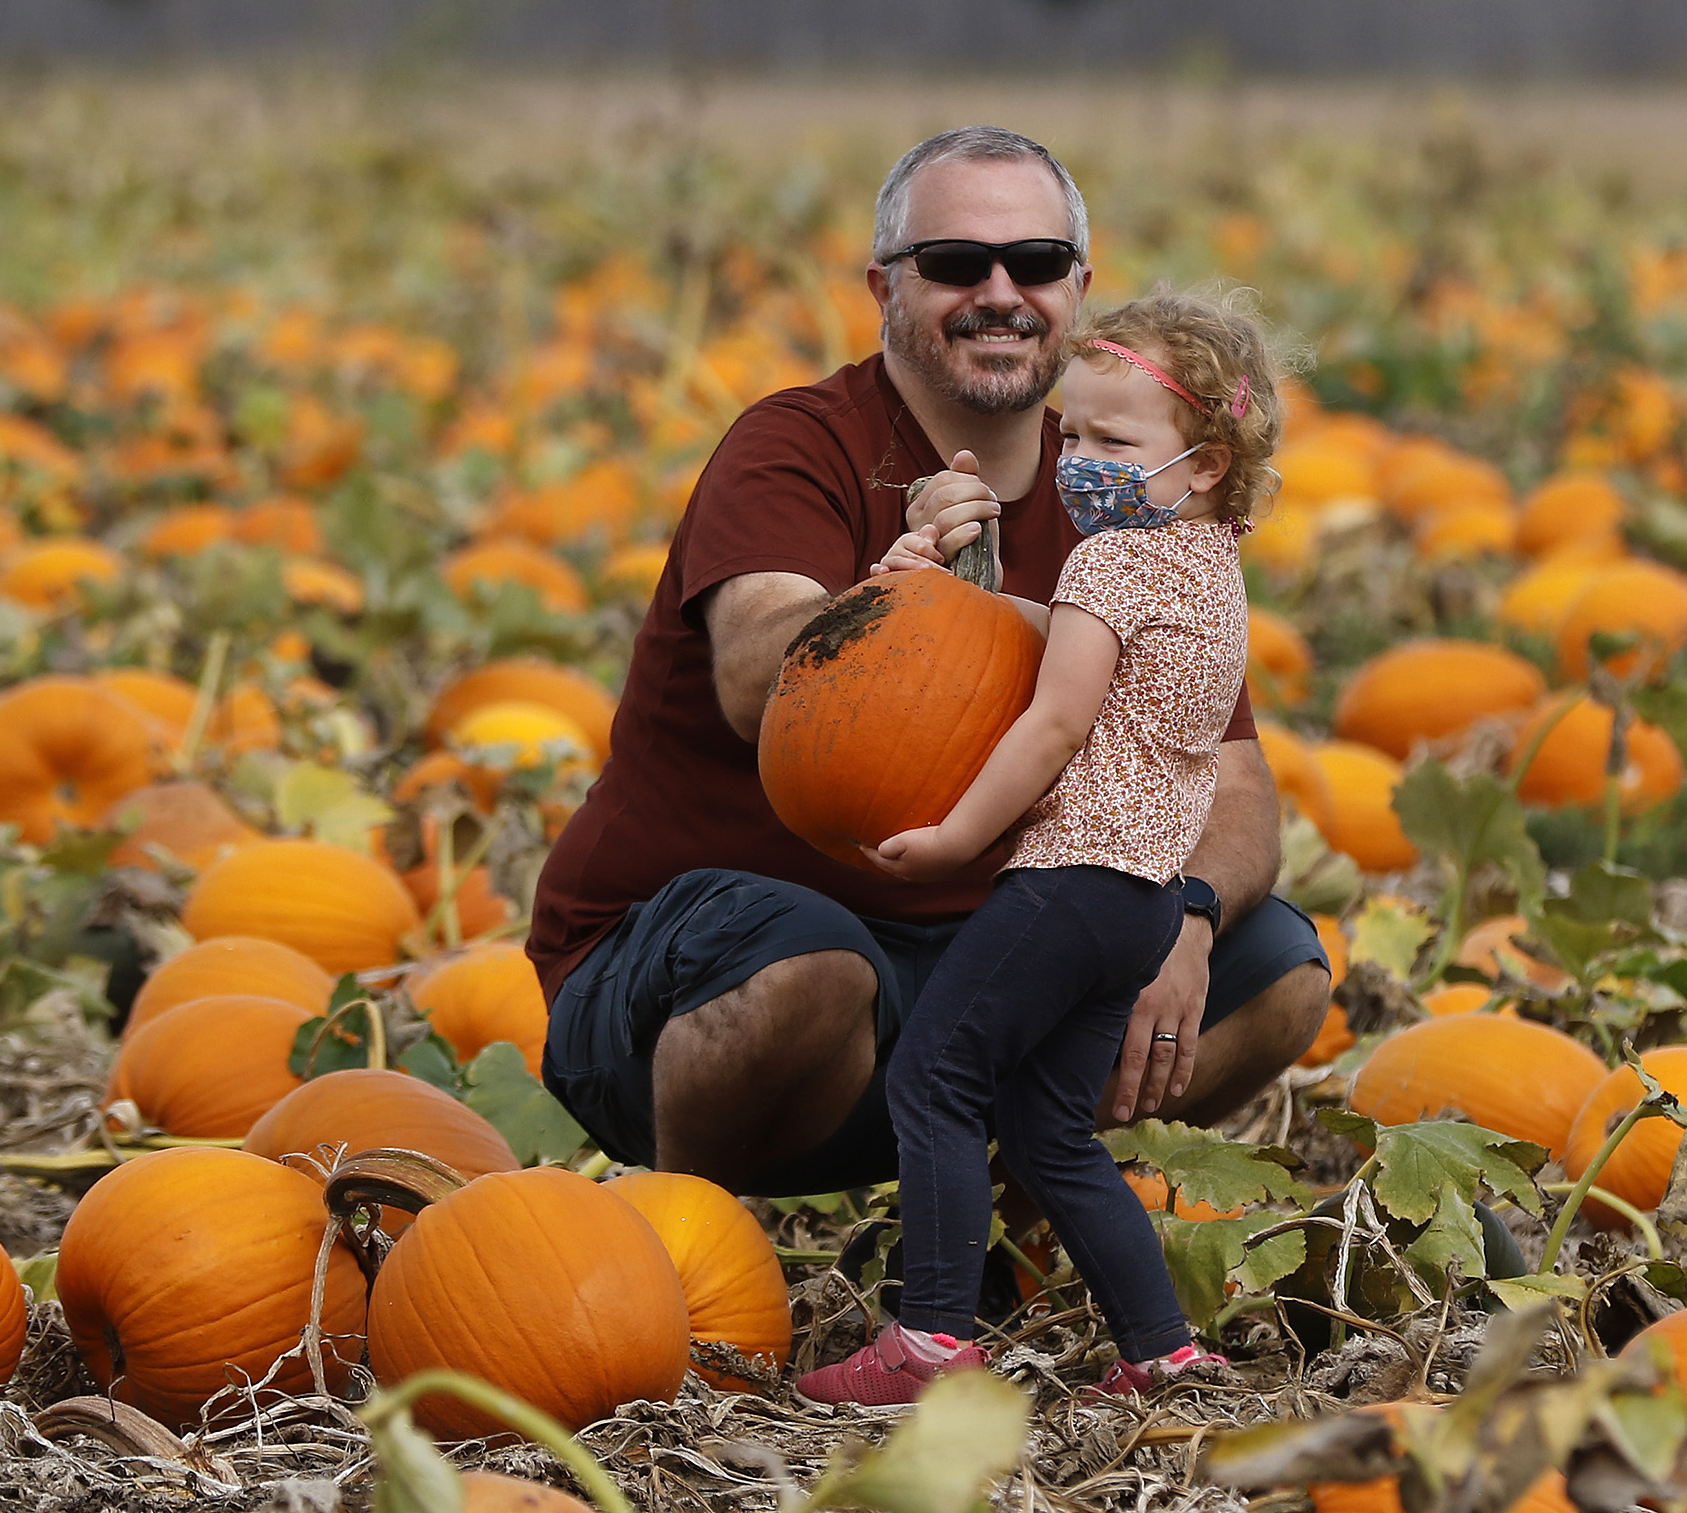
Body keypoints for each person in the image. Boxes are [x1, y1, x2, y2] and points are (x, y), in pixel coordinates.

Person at [526, 125, 1332, 1203]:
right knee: (807, 956)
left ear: (1077, 288)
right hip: (695, 970)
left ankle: (991, 1216)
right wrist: (888, 589)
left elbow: (1231, 786)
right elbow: (753, 684)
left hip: (976, 965)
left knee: (1275, 966)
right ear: (885, 288)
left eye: (1035, 263)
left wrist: (1184, 909)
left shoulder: (1122, 489)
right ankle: (692, 1238)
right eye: (955, 263)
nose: (999, 291)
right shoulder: (794, 448)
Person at [798, 290, 1272, 1404]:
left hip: (1068, 878)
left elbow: (1056, 718)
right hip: (1145, 898)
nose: (1077, 458)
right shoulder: (1211, 564)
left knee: (935, 1074)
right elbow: (1071, 647)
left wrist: (957, 833)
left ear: (1204, 461)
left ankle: (931, 1340)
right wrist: (968, 598)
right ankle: (1161, 1349)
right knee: (1052, 1129)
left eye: (1115, 440)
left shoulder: (1111, 566)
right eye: (1072, 429)